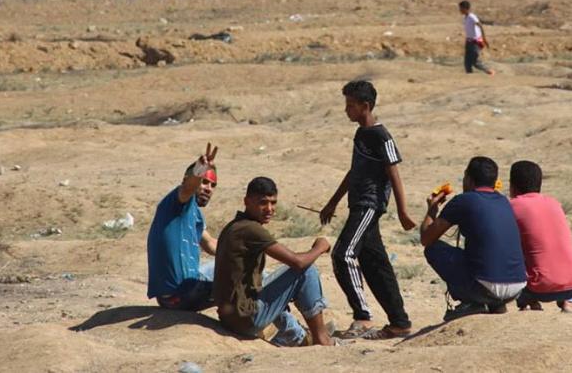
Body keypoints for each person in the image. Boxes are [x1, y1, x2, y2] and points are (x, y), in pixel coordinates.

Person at [319, 80, 415, 340]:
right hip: (358, 204)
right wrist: (333, 201)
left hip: (369, 205)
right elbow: (355, 171)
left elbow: (394, 173)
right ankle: (399, 322)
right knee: (375, 265)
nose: (346, 110)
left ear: (366, 106)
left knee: (343, 254)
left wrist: (402, 211)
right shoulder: (361, 134)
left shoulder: (381, 135)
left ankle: (362, 317)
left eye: (350, 105)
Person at [214, 176, 335, 347]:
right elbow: (298, 263)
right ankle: (321, 339)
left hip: (232, 316)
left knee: (270, 279)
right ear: (247, 202)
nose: (269, 209)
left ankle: (295, 335)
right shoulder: (250, 229)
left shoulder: (236, 225)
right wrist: (320, 247)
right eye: (263, 203)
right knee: (306, 271)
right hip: (246, 318)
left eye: (273, 203)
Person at [420, 156, 526, 320]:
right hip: (517, 287)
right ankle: (496, 304)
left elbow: (426, 238)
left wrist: (432, 210)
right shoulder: (504, 201)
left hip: (486, 287)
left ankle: (473, 303)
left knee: (433, 250)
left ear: (469, 179)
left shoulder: (463, 201)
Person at [146, 143, 219, 311]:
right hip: (179, 294)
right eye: (204, 182)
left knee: (241, 269)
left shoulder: (194, 213)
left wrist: (245, 251)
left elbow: (209, 244)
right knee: (246, 283)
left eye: (212, 185)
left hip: (188, 283)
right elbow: (188, 188)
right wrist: (200, 168)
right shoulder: (177, 202)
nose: (209, 189)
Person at [508, 160, 572, 313]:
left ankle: (529, 302)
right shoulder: (554, 203)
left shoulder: (513, 206)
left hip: (540, 287)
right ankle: (569, 302)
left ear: (512, 186)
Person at [458, 0, 495, 76]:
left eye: (461, 8)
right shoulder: (466, 17)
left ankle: (489, 71)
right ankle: (469, 76)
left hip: (475, 42)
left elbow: (480, 25)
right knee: (467, 62)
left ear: (465, 8)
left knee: (475, 61)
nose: (460, 10)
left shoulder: (472, 17)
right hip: (469, 41)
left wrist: (484, 39)